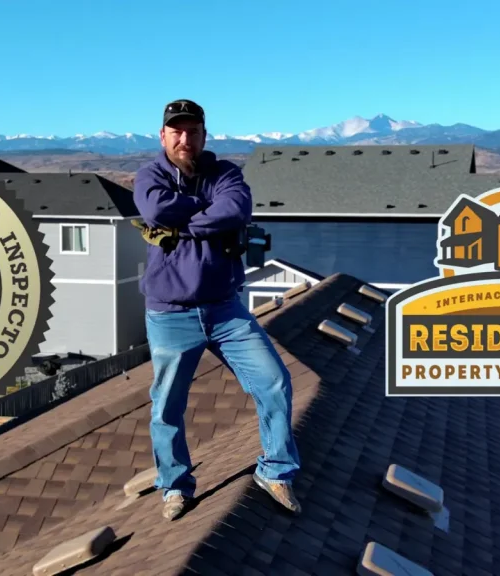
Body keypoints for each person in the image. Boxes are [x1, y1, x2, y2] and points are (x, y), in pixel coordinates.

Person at [132, 99, 302, 521]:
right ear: (163, 136)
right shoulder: (150, 175)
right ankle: (175, 486)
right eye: (176, 131)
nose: (184, 139)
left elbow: (236, 209)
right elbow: (155, 209)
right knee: (167, 406)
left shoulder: (225, 173)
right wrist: (207, 213)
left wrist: (182, 220)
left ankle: (276, 471)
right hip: (171, 313)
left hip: (226, 309)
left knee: (274, 382)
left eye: (192, 131)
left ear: (204, 135)